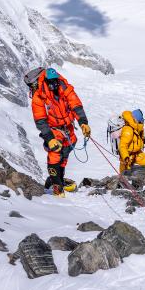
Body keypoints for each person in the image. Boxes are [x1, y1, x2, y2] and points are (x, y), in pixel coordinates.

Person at [24, 66, 91, 196]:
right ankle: (57, 186)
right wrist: (50, 138)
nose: (54, 84)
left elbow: (75, 103)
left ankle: (56, 179)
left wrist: (83, 122)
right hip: (53, 129)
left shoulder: (63, 86)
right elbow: (40, 120)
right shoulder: (39, 96)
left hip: (67, 127)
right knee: (55, 153)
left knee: (66, 151)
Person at [118, 108, 145, 175]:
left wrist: (142, 140)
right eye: (140, 120)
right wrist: (125, 157)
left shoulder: (137, 128)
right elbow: (122, 146)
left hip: (136, 153)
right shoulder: (128, 130)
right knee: (125, 173)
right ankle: (123, 180)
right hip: (127, 156)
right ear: (136, 120)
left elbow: (138, 137)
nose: (142, 122)